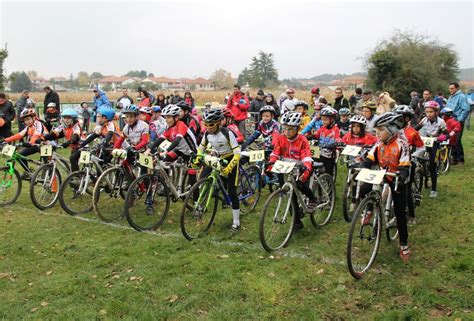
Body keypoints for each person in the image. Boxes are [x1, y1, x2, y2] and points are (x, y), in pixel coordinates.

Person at [363, 112, 411, 262]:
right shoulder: (378, 144)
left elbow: (404, 166)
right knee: (365, 185)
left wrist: (402, 175)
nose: (377, 134)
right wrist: (361, 165)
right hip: (383, 174)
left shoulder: (402, 144)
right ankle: (369, 210)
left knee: (400, 212)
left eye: (380, 130)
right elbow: (369, 159)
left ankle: (404, 244)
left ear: (391, 130)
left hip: (397, 178)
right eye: (376, 130)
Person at [268, 111, 318, 230]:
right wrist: (270, 164)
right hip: (287, 168)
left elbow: (306, 157)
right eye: (284, 128)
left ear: (297, 128)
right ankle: (297, 222)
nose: (286, 132)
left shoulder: (302, 140)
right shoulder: (281, 138)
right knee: (292, 195)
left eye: (290, 129)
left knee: (300, 185)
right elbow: (275, 153)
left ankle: (313, 198)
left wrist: (305, 169)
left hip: (302, 167)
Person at [195, 108, 241, 232]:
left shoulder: (227, 133)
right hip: (217, 158)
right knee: (202, 180)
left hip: (230, 159)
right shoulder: (206, 134)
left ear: (218, 123)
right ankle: (200, 206)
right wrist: (197, 158)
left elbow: (237, 153)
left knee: (232, 191)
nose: (208, 127)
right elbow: (201, 148)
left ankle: (236, 222)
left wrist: (229, 168)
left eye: (211, 124)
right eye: (206, 124)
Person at [146, 105, 198, 192]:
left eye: (169, 117)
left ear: (176, 117)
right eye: (165, 117)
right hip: (180, 150)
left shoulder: (181, 125)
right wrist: (149, 149)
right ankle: (166, 186)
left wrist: (165, 152)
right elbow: (160, 140)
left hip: (191, 152)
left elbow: (177, 141)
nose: (166, 120)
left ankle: (197, 203)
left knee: (192, 179)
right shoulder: (170, 128)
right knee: (164, 162)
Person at [393, 105, 425, 225]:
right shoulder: (392, 130)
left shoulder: (412, 133)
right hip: (394, 162)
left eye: (401, 118)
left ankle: (411, 214)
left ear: (407, 119)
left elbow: (422, 147)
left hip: (407, 163)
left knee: (406, 190)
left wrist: (414, 156)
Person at [1, 109, 48, 178]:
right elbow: (19, 135)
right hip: (35, 146)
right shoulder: (28, 127)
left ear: (33, 118)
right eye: (25, 120)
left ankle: (52, 181)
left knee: (48, 165)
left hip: (46, 146)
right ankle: (29, 173)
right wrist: (5, 140)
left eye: (28, 119)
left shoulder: (38, 124)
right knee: (20, 155)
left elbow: (36, 136)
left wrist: (28, 143)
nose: (27, 122)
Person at [415, 101, 448, 198]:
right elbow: (415, 129)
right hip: (425, 141)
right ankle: (420, 173)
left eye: (431, 112)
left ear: (436, 112)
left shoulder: (441, 122)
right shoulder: (424, 120)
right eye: (427, 112)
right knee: (417, 157)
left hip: (435, 142)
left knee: (432, 165)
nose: (429, 114)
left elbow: (447, 134)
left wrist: (442, 137)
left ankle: (433, 189)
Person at [446, 82, 471, 165]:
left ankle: (461, 159)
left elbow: (466, 109)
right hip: (450, 121)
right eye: (449, 88)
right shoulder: (450, 97)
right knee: (451, 139)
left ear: (457, 88)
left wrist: (459, 120)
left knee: (457, 140)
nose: (450, 90)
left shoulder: (462, 97)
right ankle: (454, 158)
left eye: (452, 88)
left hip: (457, 121)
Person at [312, 107, 340, 176]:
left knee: (328, 173)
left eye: (325, 120)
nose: (323, 122)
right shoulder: (322, 128)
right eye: (322, 119)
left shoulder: (336, 129)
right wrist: (306, 137)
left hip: (329, 154)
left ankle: (329, 183)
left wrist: (333, 144)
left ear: (332, 119)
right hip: (319, 152)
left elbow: (338, 140)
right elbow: (315, 135)